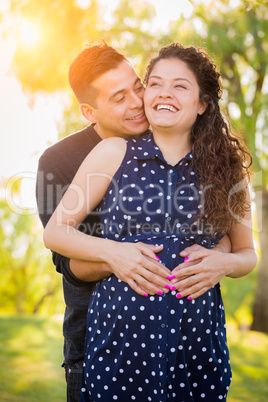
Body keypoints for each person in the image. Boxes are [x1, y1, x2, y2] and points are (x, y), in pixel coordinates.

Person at [43, 43, 257, 401]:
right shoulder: (113, 152)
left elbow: (248, 252)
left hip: (196, 344)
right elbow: (56, 232)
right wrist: (115, 253)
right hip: (121, 343)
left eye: (180, 86)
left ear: (203, 103)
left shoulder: (227, 167)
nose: (162, 94)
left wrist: (226, 262)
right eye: (155, 83)